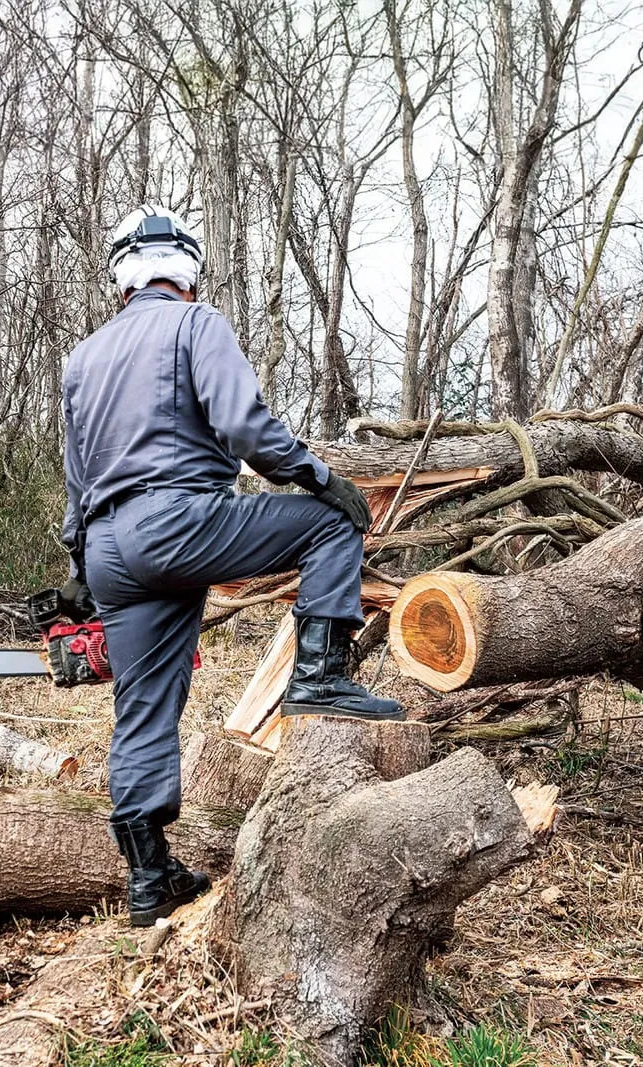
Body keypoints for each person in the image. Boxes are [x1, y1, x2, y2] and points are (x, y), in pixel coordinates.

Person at [60, 204, 403, 926]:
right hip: (176, 518)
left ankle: (150, 879)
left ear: (123, 273)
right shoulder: (196, 323)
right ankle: (319, 678)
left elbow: (76, 481)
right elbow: (246, 426)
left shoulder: (82, 358)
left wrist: (80, 573)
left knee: (143, 706)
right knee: (323, 525)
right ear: (185, 269)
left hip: (108, 550)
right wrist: (317, 476)